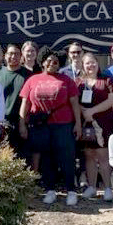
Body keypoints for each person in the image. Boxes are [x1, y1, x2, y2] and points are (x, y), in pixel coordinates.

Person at [19, 48, 82, 206]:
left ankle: (71, 190)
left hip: (63, 124)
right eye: (48, 61)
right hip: (41, 125)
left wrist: (78, 124)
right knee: (47, 158)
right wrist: (22, 124)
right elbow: (25, 103)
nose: (52, 64)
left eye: (55, 62)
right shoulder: (33, 80)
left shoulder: (66, 80)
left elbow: (75, 103)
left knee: (67, 157)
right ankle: (50, 190)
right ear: (42, 61)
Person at [77, 53, 113, 201]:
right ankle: (92, 187)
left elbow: (111, 100)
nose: (90, 65)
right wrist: (84, 112)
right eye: (87, 63)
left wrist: (91, 111)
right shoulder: (79, 82)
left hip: (104, 123)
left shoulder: (107, 80)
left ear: (97, 63)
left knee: (103, 156)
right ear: (83, 65)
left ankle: (108, 188)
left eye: (93, 62)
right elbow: (74, 101)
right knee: (89, 155)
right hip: (86, 124)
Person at [0, 44, 33, 159]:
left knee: (22, 158)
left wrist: (25, 122)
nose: (13, 56)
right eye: (10, 53)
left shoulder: (28, 75)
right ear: (5, 56)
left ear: (21, 56)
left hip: (23, 122)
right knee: (5, 157)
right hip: (3, 123)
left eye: (16, 54)